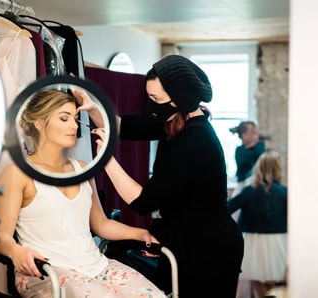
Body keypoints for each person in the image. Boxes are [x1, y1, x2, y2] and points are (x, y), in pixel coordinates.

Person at [84, 54, 244, 297]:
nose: (151, 105)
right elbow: (120, 126)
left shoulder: (195, 140)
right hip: (184, 240)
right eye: (149, 97)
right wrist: (92, 105)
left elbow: (143, 201)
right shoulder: (173, 119)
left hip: (208, 247)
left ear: (179, 99)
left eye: (156, 99)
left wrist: (106, 158)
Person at [0, 89, 167, 298]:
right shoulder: (18, 173)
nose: (74, 126)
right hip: (47, 273)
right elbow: (1, 235)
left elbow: (101, 224)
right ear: (39, 123)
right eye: (64, 118)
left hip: (97, 266)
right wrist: (16, 252)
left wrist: (140, 234)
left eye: (75, 119)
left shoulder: (83, 169)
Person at [228, 151, 288, 298]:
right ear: (277, 168)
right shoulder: (284, 192)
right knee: (271, 277)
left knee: (257, 276)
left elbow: (228, 208)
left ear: (259, 167)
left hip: (253, 239)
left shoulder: (249, 191)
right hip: (278, 239)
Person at [230, 121, 266, 197]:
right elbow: (244, 162)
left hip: (259, 184)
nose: (257, 136)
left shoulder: (260, 146)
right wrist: (253, 146)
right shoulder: (239, 150)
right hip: (243, 184)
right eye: (254, 133)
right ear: (244, 135)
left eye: (257, 133)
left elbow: (260, 154)